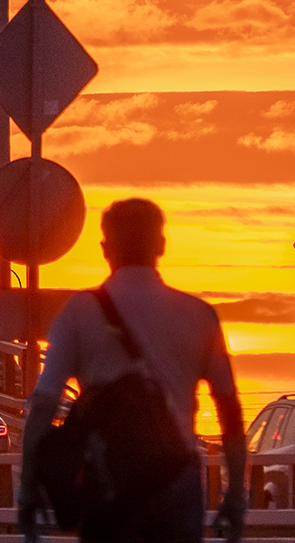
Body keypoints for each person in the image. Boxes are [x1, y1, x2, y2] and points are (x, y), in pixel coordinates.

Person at [19, 198, 247, 543]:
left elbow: (44, 405)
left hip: (108, 479)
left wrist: (29, 486)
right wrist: (234, 496)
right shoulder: (199, 314)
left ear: (105, 248)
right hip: (177, 477)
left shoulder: (80, 312)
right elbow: (229, 413)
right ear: (161, 245)